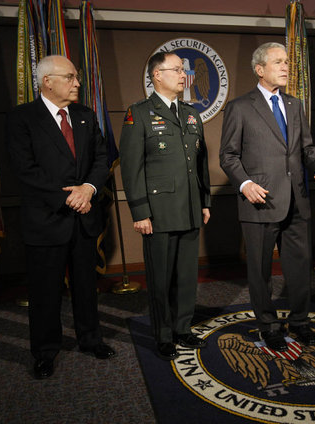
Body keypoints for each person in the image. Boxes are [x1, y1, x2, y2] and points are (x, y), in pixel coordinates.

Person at [219, 42, 315, 352]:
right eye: (278, 62)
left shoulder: (296, 105)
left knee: (299, 268)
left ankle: (299, 323)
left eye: (286, 62)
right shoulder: (240, 107)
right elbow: (228, 155)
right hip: (260, 200)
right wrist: (244, 184)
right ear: (259, 69)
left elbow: (307, 148)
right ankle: (268, 326)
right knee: (259, 272)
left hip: (297, 199)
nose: (286, 67)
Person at [6, 55, 115, 379]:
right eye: (70, 77)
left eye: (77, 77)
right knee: (45, 292)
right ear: (47, 81)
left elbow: (100, 158)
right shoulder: (21, 118)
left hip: (84, 218)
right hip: (46, 219)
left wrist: (89, 189)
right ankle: (45, 351)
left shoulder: (84, 115)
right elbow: (24, 169)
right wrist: (70, 196)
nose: (77, 83)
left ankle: (90, 339)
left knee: (85, 285)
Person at [119, 52, 211, 360]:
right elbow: (131, 168)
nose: (184, 75)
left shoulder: (190, 114)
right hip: (158, 212)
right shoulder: (139, 113)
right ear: (157, 75)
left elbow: (201, 165)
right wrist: (140, 211)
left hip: (189, 207)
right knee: (160, 277)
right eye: (176, 70)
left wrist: (205, 201)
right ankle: (163, 335)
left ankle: (183, 329)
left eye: (184, 70)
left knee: (186, 276)